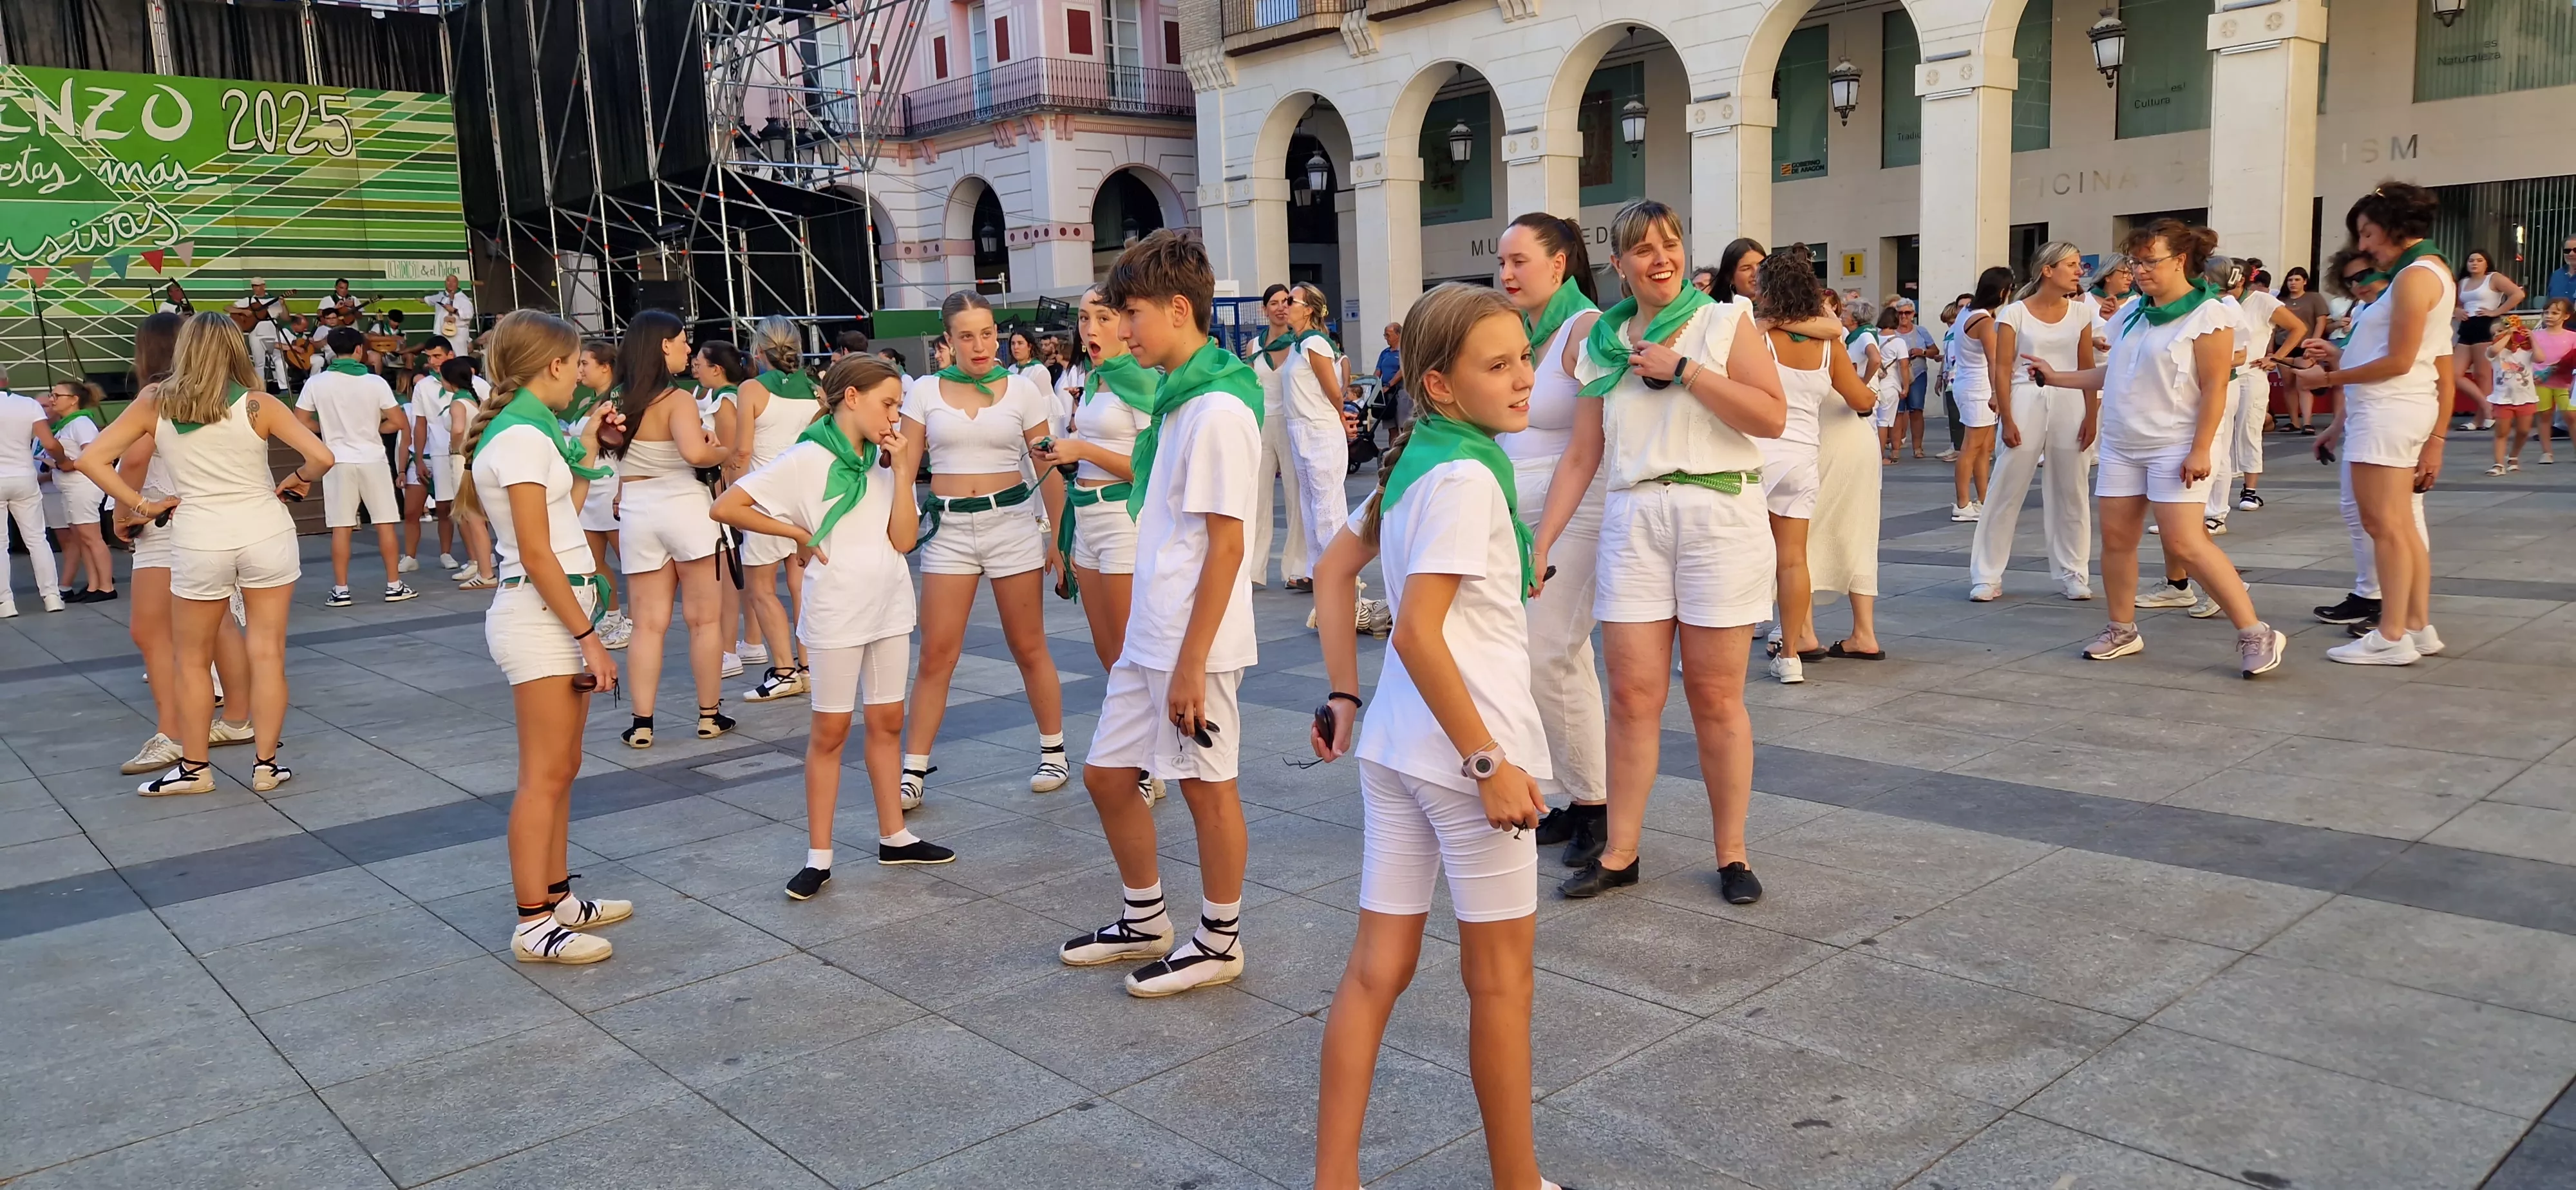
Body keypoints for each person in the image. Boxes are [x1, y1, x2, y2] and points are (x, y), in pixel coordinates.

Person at [1305, 283, 1560, 1190]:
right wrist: (1487, 762)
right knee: (1501, 983)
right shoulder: (1463, 476)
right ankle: (1518, 1184)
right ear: (1441, 385)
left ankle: (1335, 1180)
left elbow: (1332, 572)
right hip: (1465, 755)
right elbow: (1417, 632)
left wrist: (1344, 693)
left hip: (1396, 748)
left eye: (1525, 357)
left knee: (1376, 971)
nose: (1524, 378)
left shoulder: (1419, 463)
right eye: (1500, 366)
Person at [1535, 199, 1786, 902]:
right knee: (1631, 696)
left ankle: (1732, 854)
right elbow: (1583, 453)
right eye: (1643, 249)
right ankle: (1621, 852)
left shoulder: (1724, 321)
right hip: (1635, 516)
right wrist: (1542, 538)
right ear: (1619, 264)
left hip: (1718, 515)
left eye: (1670, 244)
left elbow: (1770, 416)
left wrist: (1687, 371)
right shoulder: (1604, 344)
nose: (1661, 259)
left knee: (1715, 696)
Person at [1056, 229, 1264, 998]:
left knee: (1209, 788)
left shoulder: (1216, 409)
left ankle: (1220, 940)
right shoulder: (1176, 398)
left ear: (1179, 310)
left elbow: (1226, 546)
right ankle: (1145, 919)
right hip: (1153, 631)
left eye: (1131, 313)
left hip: (1192, 642)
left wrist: (1191, 664)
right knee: (1108, 776)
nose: (1121, 328)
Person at [714, 354, 955, 901]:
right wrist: (796, 533)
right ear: (852, 397)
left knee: (888, 721)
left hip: (889, 602)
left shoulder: (883, 459)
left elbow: (904, 540)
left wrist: (902, 472)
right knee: (830, 732)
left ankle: (894, 835)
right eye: (888, 403)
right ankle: (818, 857)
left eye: (899, 405)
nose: (895, 416)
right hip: (836, 611)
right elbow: (727, 505)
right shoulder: (806, 457)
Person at [77, 312, 338, 793]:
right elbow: (322, 457)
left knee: (193, 660)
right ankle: (266, 766)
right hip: (265, 529)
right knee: (267, 652)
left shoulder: (155, 402)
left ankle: (195, 769)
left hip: (199, 535)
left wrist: (142, 506)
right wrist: (300, 479)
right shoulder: (259, 404)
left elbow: (91, 459)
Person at [2027, 220, 2286, 677]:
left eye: (2150, 262)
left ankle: (2255, 632)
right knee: (2117, 541)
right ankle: (2121, 629)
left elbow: (2215, 387)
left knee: (2185, 542)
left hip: (2175, 443)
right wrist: (2056, 377)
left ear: (2181, 261)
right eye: (2135, 262)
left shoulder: (2209, 314)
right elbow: (2113, 374)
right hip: (2123, 443)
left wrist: (2201, 449)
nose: (2140, 271)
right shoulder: (2133, 313)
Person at [457, 309, 630, 964]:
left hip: (551, 610)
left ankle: (557, 898)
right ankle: (533, 922)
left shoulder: (531, 430)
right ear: (553, 365)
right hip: (540, 616)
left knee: (561, 768)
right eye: (577, 363)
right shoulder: (522, 436)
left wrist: (588, 444)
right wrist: (589, 636)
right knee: (542, 775)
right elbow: (535, 550)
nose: (581, 376)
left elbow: (564, 512)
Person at [897, 291, 1070, 804]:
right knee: (936, 653)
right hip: (948, 530)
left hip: (1010, 524)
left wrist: (1060, 541)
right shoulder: (924, 391)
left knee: (1029, 645)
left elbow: (1046, 465)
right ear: (948, 340)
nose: (980, 345)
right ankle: (913, 771)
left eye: (988, 334)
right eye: (967, 336)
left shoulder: (1022, 390)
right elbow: (903, 470)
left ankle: (1055, 752)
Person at [2289, 186, 2452, 663]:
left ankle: (2392, 634)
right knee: (2399, 524)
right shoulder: (2427, 272)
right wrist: (2340, 360)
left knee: (2385, 525)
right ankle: (2415, 625)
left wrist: (2327, 378)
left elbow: (2400, 361)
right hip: (2393, 408)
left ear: (2395, 227)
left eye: (2368, 233)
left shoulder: (2415, 277)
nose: (2363, 246)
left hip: (2388, 410)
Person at [1495, 212, 1609, 864]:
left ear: (1559, 264)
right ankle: (1582, 796)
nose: (1506, 273)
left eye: (1519, 261)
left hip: (1577, 515)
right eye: (1502, 263)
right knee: (1562, 659)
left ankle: (1593, 807)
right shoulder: (1521, 333)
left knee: (1547, 654)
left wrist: (1543, 541)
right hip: (1522, 519)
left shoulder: (1585, 330)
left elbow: (1587, 448)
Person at [109, 314, 258, 775]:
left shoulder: (158, 395)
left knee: (151, 631)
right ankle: (237, 718)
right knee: (219, 625)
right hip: (214, 519)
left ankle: (172, 733)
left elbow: (134, 456)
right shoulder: (221, 393)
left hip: (164, 519)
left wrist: (124, 510)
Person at [1032, 287, 1164, 798]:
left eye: (1103, 317)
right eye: (1085, 318)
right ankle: (1139, 755)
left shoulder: (1143, 379)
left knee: (1133, 652)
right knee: (1109, 652)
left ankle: (1147, 766)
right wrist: (1064, 452)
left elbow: (1149, 468)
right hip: (1086, 518)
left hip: (1124, 519)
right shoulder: (1093, 378)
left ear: (1126, 322)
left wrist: (1081, 449)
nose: (1090, 328)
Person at [603, 309, 736, 745]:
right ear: (664, 345)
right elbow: (695, 455)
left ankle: (642, 723)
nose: (687, 349)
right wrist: (722, 450)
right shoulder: (677, 399)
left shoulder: (618, 399)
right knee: (704, 621)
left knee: (647, 624)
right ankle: (709, 716)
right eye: (682, 342)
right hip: (684, 507)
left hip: (638, 509)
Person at [1756, 249, 1883, 684]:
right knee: (1794, 561)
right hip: (1801, 460)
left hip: (1755, 457)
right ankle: (1791, 656)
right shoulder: (1829, 345)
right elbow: (1861, 400)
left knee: (1739, 555)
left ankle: (1706, 649)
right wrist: (1873, 394)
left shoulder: (1757, 336)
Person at [1973, 241, 2102, 602]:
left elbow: (2087, 367)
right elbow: (2002, 368)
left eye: (2079, 265)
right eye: (2072, 265)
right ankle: (1986, 575)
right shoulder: (2014, 313)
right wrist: (2007, 417)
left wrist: (2092, 416)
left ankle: (2074, 572)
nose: (2079, 271)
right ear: (2048, 270)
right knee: (2006, 487)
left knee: (2072, 489)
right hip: (2025, 397)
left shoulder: (2081, 314)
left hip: (2070, 399)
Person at [731, 318, 822, 702]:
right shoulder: (816, 391)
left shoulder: (751, 389)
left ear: (758, 349)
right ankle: (808, 666)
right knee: (801, 584)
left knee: (761, 588)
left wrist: (733, 494)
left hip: (764, 498)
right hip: (803, 497)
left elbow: (742, 451)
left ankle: (784, 670)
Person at [295, 326, 419, 607]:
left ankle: (341, 590)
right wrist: (375, 429)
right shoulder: (375, 382)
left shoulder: (317, 383)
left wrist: (326, 430)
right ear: (360, 350)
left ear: (330, 350)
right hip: (372, 458)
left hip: (336, 460)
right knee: (385, 524)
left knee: (342, 527)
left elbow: (300, 420)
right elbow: (398, 422)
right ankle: (394, 585)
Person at [1812, 292, 1890, 657]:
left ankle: (1799, 631)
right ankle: (1864, 633)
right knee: (1860, 534)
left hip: (1819, 442)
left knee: (1802, 536)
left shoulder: (1770, 338)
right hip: (1853, 440)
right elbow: (1862, 399)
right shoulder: (1833, 341)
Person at [2210, 260, 2307, 524]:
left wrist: (2276, 357)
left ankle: (2250, 490)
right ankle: (2215, 495)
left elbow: (2298, 328)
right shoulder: (2214, 300)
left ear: (2241, 279)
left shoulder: (2262, 301)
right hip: (2221, 375)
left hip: (2252, 373)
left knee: (2249, 429)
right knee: (2218, 434)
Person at [1279, 283, 1354, 598]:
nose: (1285, 305)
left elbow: (1334, 392)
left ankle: (1338, 571)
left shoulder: (1315, 343)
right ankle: (1316, 569)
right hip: (1300, 428)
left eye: (1291, 301)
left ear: (1308, 309)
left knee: (1327, 504)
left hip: (1319, 430)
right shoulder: (1298, 345)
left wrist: (1342, 419)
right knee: (1310, 504)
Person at [690, 339, 754, 680]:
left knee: (730, 573)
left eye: (700, 362)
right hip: (720, 493)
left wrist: (723, 499)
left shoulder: (727, 401)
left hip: (724, 493)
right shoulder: (715, 398)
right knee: (741, 571)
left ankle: (730, 649)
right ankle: (751, 642)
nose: (695, 366)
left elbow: (731, 457)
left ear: (717, 369)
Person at [1247, 284, 1310, 588]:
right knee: (1257, 498)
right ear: (1265, 309)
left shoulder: (1299, 343)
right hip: (1260, 425)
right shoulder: (1253, 347)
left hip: (1291, 422)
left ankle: (1296, 568)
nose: (1281, 307)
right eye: (1274, 303)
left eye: (1286, 301)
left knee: (1295, 496)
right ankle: (1252, 570)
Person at [568, 342, 628, 646]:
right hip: (589, 488)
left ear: (606, 367)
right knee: (593, 561)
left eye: (585, 364)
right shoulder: (586, 401)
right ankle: (613, 614)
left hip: (611, 484)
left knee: (629, 561)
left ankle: (637, 622)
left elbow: (625, 447)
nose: (579, 370)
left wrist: (622, 491)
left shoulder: (620, 399)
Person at [0, 373, 68, 617]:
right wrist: (63, 461)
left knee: (1, 544)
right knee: (38, 540)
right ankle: (52, 597)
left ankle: (5, 603)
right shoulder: (28, 404)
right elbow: (49, 443)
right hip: (24, 477)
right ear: (6, 380)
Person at [41, 382, 116, 603]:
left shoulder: (81, 423)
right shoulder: (67, 424)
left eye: (58, 395)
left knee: (92, 538)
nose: (52, 399)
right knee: (82, 539)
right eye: (52, 395)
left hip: (83, 486)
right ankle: (93, 585)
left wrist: (65, 464)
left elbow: (93, 455)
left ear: (74, 400)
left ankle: (106, 586)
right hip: (70, 488)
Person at [1947, 269, 2011, 521]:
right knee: (1972, 447)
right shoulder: (1984, 321)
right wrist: (1997, 393)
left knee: (1984, 448)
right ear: (2002, 292)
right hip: (1978, 388)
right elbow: (1994, 360)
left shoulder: (1967, 312)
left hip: (1969, 384)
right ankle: (1963, 504)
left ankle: (1984, 500)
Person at [437, 358, 502, 589]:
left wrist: (456, 448)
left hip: (462, 460)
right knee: (477, 515)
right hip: (477, 457)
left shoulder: (458, 403)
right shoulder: (476, 401)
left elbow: (457, 429)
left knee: (472, 516)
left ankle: (483, 570)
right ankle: (483, 565)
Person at [400, 341, 460, 572]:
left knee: (446, 509)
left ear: (450, 355)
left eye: (437, 356)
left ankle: (446, 553)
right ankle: (410, 557)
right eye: (429, 357)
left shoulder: (468, 381)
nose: (432, 361)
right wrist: (417, 459)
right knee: (411, 510)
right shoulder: (423, 387)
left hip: (454, 455)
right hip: (426, 455)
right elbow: (420, 425)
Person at [2454, 249, 2524, 431]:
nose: (2474, 263)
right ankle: (2487, 407)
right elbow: (2457, 304)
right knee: (2454, 374)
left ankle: (2479, 419)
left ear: (2487, 263)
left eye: (2479, 260)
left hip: (2485, 325)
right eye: (2471, 260)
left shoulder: (2494, 278)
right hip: (2466, 326)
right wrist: (2457, 310)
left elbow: (2518, 294)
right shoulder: (2463, 282)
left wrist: (2496, 312)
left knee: (2482, 375)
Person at [2278, 268, 2333, 432]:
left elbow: (2321, 322)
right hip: (2284, 345)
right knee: (2288, 385)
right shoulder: (2281, 300)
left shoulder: (2314, 298)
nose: (2293, 283)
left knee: (2304, 384)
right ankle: (2294, 422)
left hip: (2305, 345)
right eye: (2290, 280)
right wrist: (2270, 349)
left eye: (2297, 280)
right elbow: (2274, 326)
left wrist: (2314, 344)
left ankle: (2307, 422)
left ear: (2305, 282)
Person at [2488, 315, 2542, 473]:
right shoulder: (2495, 352)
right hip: (2503, 399)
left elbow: (2541, 358)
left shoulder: (2526, 351)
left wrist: (2532, 338)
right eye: (2493, 333)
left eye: (2500, 331)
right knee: (2502, 432)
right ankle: (2498, 464)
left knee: (2524, 431)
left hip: (2526, 398)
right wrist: (2507, 335)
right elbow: (2494, 350)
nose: (2497, 335)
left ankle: (2513, 456)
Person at [1888, 298, 1938, 458]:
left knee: (1916, 410)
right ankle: (1895, 449)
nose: (1904, 316)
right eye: (1900, 313)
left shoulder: (1921, 331)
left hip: (1917, 373)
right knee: (1897, 412)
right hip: (1896, 375)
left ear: (1913, 314)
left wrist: (1922, 352)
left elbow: (1935, 351)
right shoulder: (1890, 331)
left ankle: (1918, 448)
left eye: (1907, 313)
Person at [2532, 298, 2574, 466]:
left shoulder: (2572, 337)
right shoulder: (2535, 336)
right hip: (2540, 381)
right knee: (2544, 416)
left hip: (2566, 383)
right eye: (2546, 312)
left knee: (2572, 416)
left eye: (2555, 313)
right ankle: (2546, 452)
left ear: (2566, 316)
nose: (2549, 316)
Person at [232, 279, 289, 393]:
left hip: (271, 332)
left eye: (258, 286)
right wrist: (243, 312)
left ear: (263, 286)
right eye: (253, 286)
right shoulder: (249, 300)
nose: (255, 288)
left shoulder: (274, 300)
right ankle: (260, 389)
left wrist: (283, 305)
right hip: (255, 333)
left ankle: (284, 388)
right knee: (259, 363)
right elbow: (228, 308)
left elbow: (286, 318)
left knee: (279, 359)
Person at [426, 274, 476, 355]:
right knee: (442, 357)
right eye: (448, 281)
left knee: (458, 357)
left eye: (454, 282)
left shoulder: (463, 299)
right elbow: (427, 300)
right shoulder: (441, 296)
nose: (451, 284)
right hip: (441, 334)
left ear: (457, 283)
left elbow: (469, 314)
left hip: (457, 335)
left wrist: (454, 310)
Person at [1374, 321, 1404, 427]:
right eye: (1385, 335)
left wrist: (1389, 385)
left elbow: (1402, 371)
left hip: (1401, 392)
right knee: (1391, 427)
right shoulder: (1385, 353)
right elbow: (1378, 371)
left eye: (1388, 335)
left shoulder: (1404, 352)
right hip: (1386, 393)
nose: (1386, 338)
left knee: (1403, 426)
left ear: (1398, 335)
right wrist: (1374, 386)